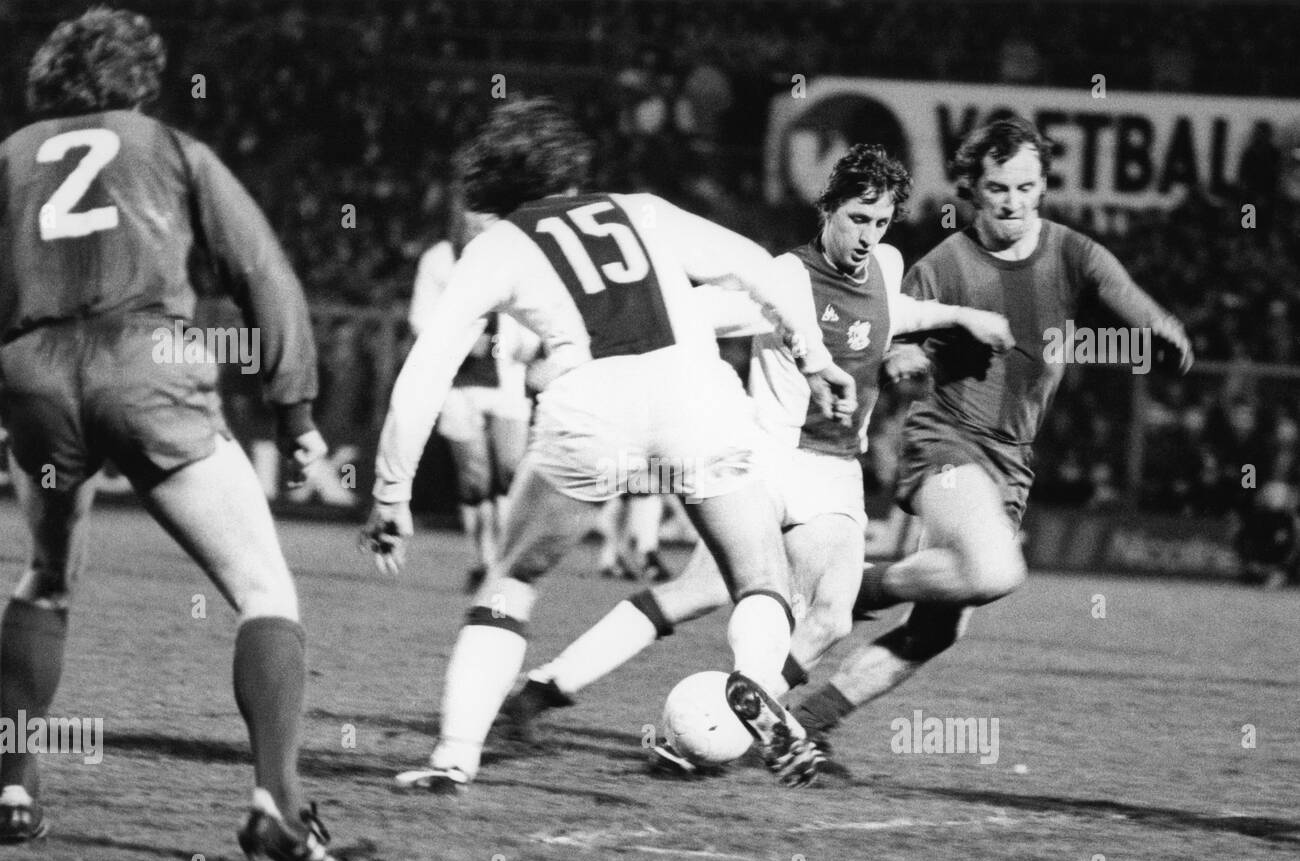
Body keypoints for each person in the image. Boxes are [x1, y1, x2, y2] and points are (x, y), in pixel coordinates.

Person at [359, 97, 857, 791]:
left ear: (496, 184)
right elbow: (761, 269)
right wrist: (815, 360)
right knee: (761, 580)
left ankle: (454, 758)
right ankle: (752, 682)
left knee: (511, 581)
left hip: (592, 410)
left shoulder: (496, 246)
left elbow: (424, 373)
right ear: (570, 169)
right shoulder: (641, 209)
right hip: (697, 397)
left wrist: (390, 492)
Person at [499, 146, 1013, 780]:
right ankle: (542, 691)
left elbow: (889, 316)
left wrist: (960, 316)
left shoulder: (886, 264)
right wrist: (573, 349)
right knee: (698, 592)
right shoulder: (785, 278)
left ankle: (735, 720)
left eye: (879, 222)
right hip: (766, 460)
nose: (865, 236)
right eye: (855, 218)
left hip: (835, 472)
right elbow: (691, 315)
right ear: (827, 208)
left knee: (829, 614)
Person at [0, 9, 334, 861]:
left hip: (35, 373)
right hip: (147, 364)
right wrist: (294, 412)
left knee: (44, 575)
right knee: (264, 590)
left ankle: (8, 785)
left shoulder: (9, 158)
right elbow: (261, 269)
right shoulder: (170, 146)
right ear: (139, 76)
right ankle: (278, 806)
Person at [784, 117, 1193, 784]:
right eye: (998, 187)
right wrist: (918, 360)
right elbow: (895, 357)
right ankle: (857, 586)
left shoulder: (1071, 251)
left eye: (1026, 186)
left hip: (1013, 458)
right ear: (972, 188)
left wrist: (1163, 328)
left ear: (1042, 185)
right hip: (946, 439)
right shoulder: (942, 266)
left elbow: (1124, 295)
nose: (1012, 201)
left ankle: (805, 722)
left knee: (938, 630)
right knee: (995, 569)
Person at [409, 200, 535, 592]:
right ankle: (483, 560)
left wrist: (533, 346)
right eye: (473, 211)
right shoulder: (439, 260)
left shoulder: (517, 256)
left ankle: (504, 558)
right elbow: (419, 318)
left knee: (512, 472)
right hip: (458, 384)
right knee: (476, 478)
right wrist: (462, 340)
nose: (478, 221)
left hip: (508, 379)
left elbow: (534, 307)